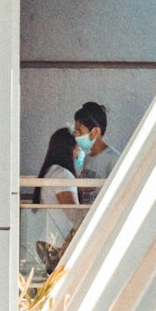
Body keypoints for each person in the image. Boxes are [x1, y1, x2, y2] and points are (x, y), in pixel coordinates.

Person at [33, 126, 81, 271]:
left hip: (48, 241)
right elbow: (75, 214)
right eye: (77, 148)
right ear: (69, 149)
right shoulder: (62, 175)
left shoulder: (50, 171)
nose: (79, 153)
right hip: (58, 244)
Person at [73, 100, 120, 204]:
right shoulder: (87, 158)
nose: (76, 136)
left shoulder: (114, 159)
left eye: (79, 131)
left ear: (95, 132)